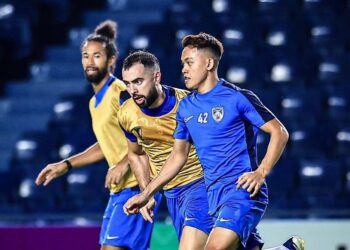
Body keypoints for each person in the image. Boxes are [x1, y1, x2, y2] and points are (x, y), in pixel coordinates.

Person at [123, 33, 305, 250]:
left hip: (242, 191)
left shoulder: (237, 97)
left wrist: (261, 172)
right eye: (183, 63)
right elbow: (178, 156)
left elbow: (279, 132)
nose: (184, 69)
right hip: (214, 195)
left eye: (189, 62)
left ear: (208, 63)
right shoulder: (186, 108)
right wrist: (146, 193)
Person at [35, 20, 161, 250]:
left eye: (97, 56)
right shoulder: (95, 102)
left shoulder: (121, 93)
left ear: (111, 60)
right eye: (85, 56)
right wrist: (66, 165)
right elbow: (107, 144)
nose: (89, 62)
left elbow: (146, 132)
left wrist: (124, 163)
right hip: (118, 191)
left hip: (137, 186)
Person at [117, 50, 213, 250]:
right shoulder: (127, 113)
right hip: (172, 195)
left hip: (202, 186)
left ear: (157, 77)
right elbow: (136, 154)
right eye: (127, 83)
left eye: (138, 81)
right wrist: (148, 193)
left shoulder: (190, 106)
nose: (132, 90)